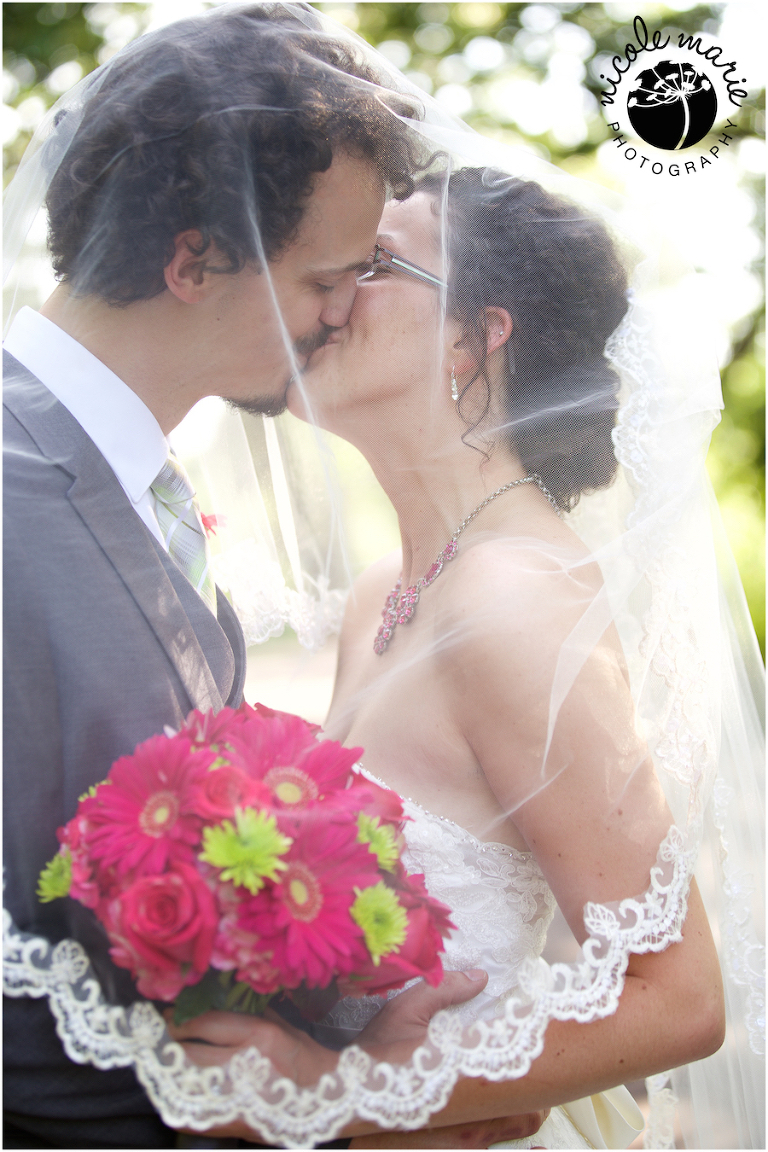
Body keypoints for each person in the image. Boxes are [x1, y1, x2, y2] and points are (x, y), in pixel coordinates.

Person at [5, 7, 548, 1149]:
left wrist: (342, 1067)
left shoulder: (127, 477)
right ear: (197, 258)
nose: (349, 311)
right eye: (330, 277)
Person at [168, 163, 764, 1150]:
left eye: (376, 263)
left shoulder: (513, 600)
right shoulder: (383, 596)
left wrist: (336, 1091)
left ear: (477, 333)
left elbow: (680, 1001)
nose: (326, 292)